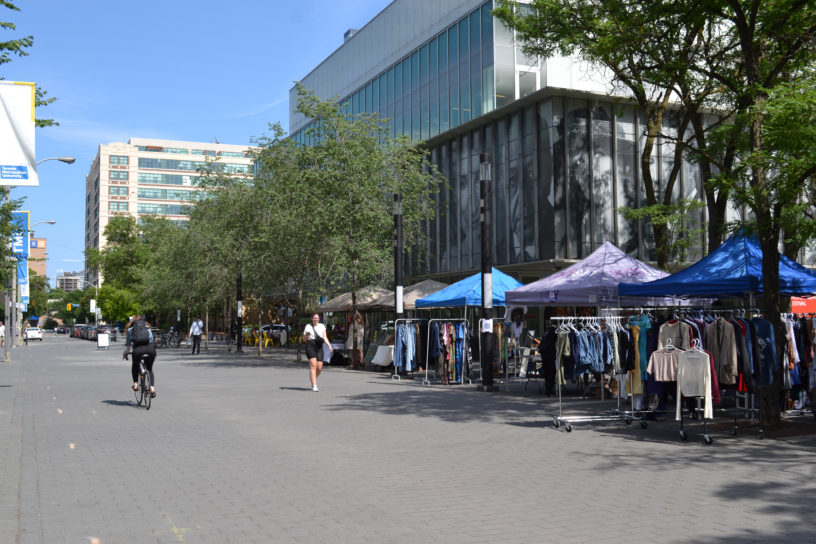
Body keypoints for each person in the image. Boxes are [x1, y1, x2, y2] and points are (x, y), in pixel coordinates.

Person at [123, 314, 157, 397]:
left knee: (135, 365)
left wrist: (126, 352)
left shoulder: (131, 330)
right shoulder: (147, 328)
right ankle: (152, 388)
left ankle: (135, 384)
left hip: (138, 351)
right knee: (149, 369)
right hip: (150, 350)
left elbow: (128, 344)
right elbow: (152, 341)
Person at [303, 313, 333, 392]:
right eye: (314, 318)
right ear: (312, 318)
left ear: (319, 319)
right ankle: (314, 385)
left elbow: (324, 337)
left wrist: (329, 346)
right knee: (313, 365)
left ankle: (313, 379)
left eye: (317, 318)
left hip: (319, 346)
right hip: (310, 345)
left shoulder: (322, 326)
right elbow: (304, 340)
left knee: (319, 367)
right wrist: (306, 335)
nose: (316, 319)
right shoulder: (308, 326)